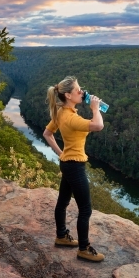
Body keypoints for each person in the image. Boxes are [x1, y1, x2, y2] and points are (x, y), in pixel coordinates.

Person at [43, 76, 105, 262]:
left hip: (67, 163)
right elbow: (98, 125)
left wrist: (61, 153)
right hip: (75, 166)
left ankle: (61, 235)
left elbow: (47, 133)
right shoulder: (70, 118)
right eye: (78, 90)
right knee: (85, 210)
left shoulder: (61, 112)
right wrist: (95, 109)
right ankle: (84, 249)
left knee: (62, 202)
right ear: (68, 95)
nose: (82, 92)